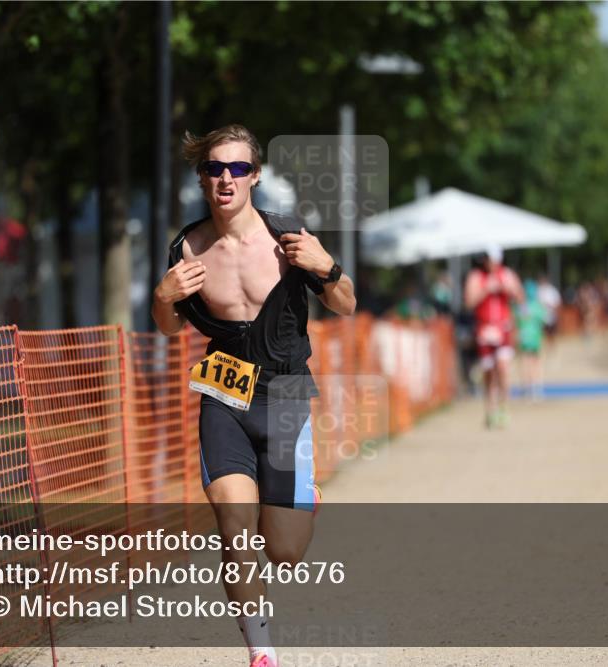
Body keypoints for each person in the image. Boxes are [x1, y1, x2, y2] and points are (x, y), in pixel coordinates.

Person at [152, 124, 356, 667]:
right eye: (216, 167)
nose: (226, 177)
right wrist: (162, 297)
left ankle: (302, 499)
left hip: (286, 396)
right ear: (202, 176)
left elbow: (346, 303)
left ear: (255, 176)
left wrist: (326, 266)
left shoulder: (288, 238)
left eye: (238, 168)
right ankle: (261, 651)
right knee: (232, 520)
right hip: (223, 394)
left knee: (284, 551)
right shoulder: (186, 246)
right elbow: (170, 328)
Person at [464, 245, 524, 428]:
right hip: (484, 330)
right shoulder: (476, 277)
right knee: (489, 373)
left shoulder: (507, 274)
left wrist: (507, 289)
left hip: (503, 329)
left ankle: (504, 409)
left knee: (503, 369)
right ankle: (489, 410)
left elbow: (520, 298)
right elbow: (468, 302)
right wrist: (486, 289)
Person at [516, 279, 548, 400]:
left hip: (524, 336)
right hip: (535, 337)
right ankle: (537, 387)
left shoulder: (521, 306)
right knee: (536, 362)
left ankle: (526, 387)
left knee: (525, 362)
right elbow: (545, 319)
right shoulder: (538, 306)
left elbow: (517, 321)